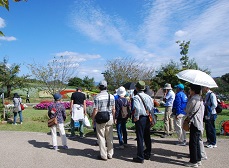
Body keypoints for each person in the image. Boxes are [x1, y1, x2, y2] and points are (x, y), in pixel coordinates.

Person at [92, 80, 115, 161]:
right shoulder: (111, 96)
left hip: (100, 119)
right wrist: (114, 119)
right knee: (109, 137)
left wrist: (93, 119)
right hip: (110, 118)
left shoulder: (97, 97)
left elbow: (95, 110)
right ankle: (110, 153)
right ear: (106, 87)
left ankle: (103, 155)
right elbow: (113, 109)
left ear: (99, 87)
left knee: (101, 137)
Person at [132, 81, 154, 163]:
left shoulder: (136, 97)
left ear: (137, 88)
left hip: (140, 118)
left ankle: (140, 157)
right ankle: (147, 154)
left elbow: (137, 108)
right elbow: (151, 108)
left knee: (140, 137)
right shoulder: (148, 97)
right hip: (147, 117)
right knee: (147, 136)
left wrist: (136, 117)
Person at [184, 84, 204, 167]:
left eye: (190, 89)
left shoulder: (193, 99)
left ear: (193, 90)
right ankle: (198, 159)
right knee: (196, 142)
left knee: (193, 142)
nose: (189, 91)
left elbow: (187, 109)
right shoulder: (201, 99)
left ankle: (193, 161)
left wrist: (189, 99)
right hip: (199, 122)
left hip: (194, 122)